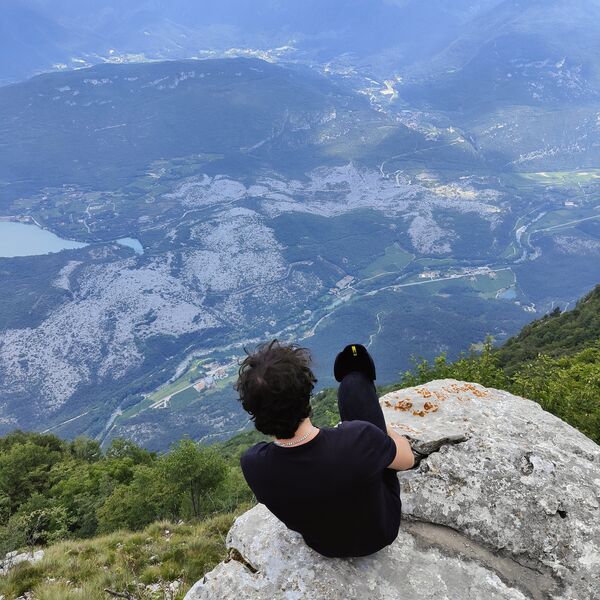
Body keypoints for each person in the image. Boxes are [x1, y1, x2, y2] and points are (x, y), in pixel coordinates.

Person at [236, 340, 415, 558]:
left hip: (324, 545)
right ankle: (355, 376)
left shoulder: (254, 465)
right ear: (306, 391)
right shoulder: (359, 440)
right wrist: (380, 431)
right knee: (354, 383)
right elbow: (407, 459)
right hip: (380, 532)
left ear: (253, 410)